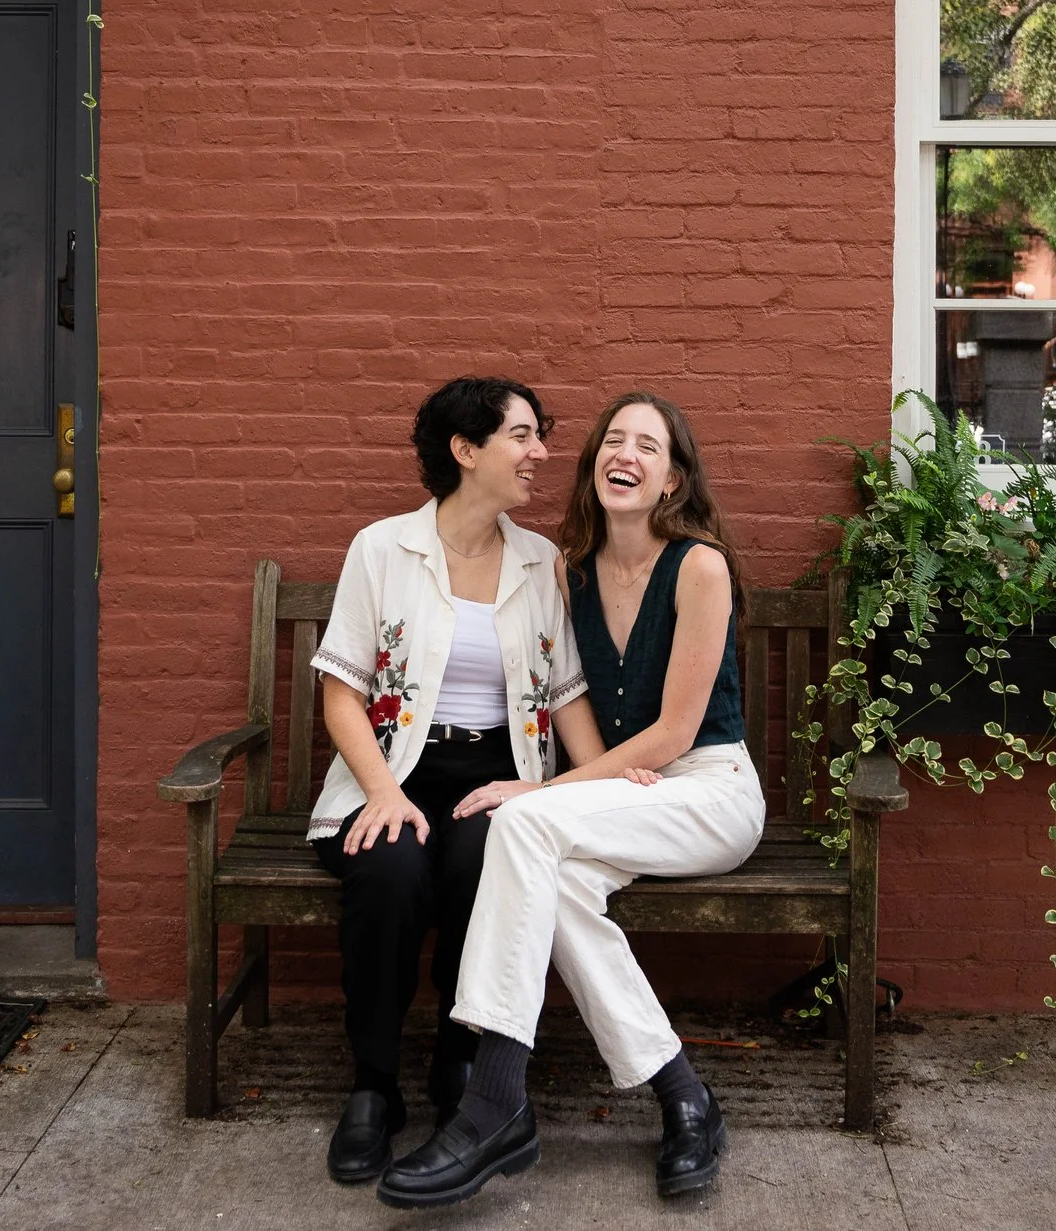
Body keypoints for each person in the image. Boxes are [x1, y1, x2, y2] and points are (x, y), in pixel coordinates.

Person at [377, 392, 766, 1210]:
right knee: (550, 888)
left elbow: (674, 734)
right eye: (612, 441)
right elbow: (569, 697)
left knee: (519, 822)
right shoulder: (569, 568)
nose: (625, 453)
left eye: (647, 446)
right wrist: (568, 788)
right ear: (595, 467)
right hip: (624, 793)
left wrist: (543, 789)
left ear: (672, 479)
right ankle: (683, 1095)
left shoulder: (699, 565)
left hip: (708, 788)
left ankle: (491, 1101)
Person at [306, 376, 634, 1185]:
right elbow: (341, 689)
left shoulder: (540, 560)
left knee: (485, 861)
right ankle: (374, 1087)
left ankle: (457, 1064)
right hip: (396, 767)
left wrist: (602, 778)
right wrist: (382, 791)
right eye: (521, 437)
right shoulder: (383, 548)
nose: (541, 454)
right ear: (466, 450)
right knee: (387, 869)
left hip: (502, 775)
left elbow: (565, 696)